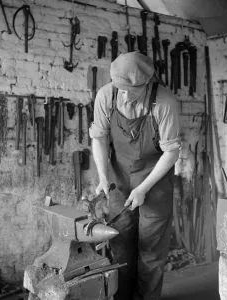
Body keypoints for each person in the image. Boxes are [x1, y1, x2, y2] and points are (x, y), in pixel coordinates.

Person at [89, 51, 181, 300]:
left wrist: (143, 189)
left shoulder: (165, 103)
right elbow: (98, 138)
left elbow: (171, 153)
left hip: (156, 180)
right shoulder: (106, 95)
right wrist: (102, 177)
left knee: (150, 251)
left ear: (148, 82)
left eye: (133, 90)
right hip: (120, 180)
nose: (125, 95)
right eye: (121, 88)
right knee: (120, 245)